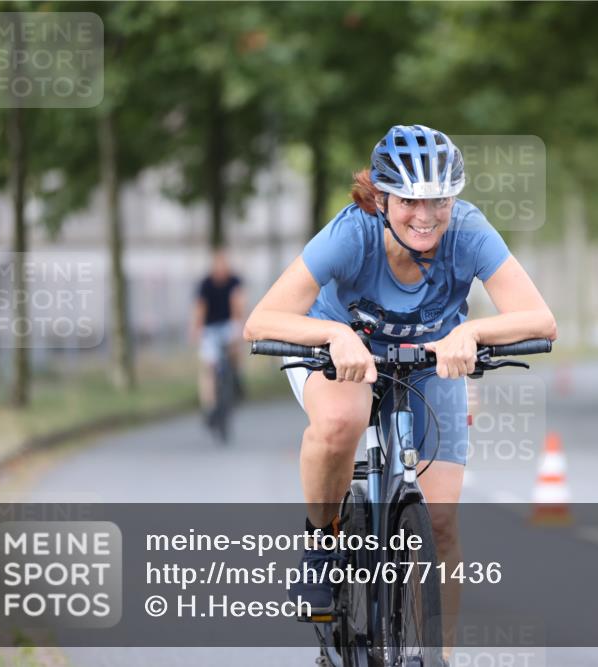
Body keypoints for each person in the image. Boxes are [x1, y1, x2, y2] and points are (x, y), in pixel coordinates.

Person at [243, 125, 557, 661]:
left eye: (439, 199)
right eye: (410, 199)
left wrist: (472, 332)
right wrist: (336, 334)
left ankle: (441, 657)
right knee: (342, 423)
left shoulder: (470, 232)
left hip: (429, 365)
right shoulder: (351, 234)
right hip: (341, 357)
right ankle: (322, 543)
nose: (426, 214)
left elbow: (540, 319)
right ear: (383, 197)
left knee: (439, 522)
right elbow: (261, 321)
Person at [191, 247, 246, 428]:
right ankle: (210, 406)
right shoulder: (205, 284)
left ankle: (236, 375)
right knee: (208, 367)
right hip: (210, 328)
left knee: (237, 337)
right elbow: (200, 309)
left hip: (228, 325)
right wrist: (196, 330)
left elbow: (238, 306)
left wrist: (240, 327)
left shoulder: (234, 281)